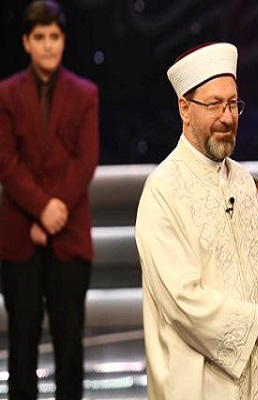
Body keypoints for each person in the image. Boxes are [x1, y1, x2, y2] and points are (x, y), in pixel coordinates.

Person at [135, 42, 258, 399]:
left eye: (233, 104)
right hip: (193, 384)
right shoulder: (163, 190)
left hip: (251, 378)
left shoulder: (242, 181)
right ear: (184, 108)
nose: (227, 118)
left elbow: (239, 269)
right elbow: (183, 301)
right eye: (214, 105)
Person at [0, 1, 99, 398]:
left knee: (69, 347)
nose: (47, 45)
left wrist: (53, 212)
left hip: (68, 235)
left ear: (63, 41)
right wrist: (41, 209)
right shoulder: (6, 94)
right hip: (20, 235)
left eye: (54, 37)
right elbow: (6, 161)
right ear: (26, 42)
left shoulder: (86, 94)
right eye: (39, 37)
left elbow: (85, 160)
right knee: (21, 347)